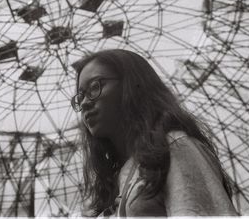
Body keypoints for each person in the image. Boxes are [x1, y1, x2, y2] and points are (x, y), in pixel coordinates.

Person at [71, 49, 238, 217]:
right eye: (80, 97)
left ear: (132, 85)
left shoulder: (174, 147)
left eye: (95, 87)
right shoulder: (115, 180)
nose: (85, 103)